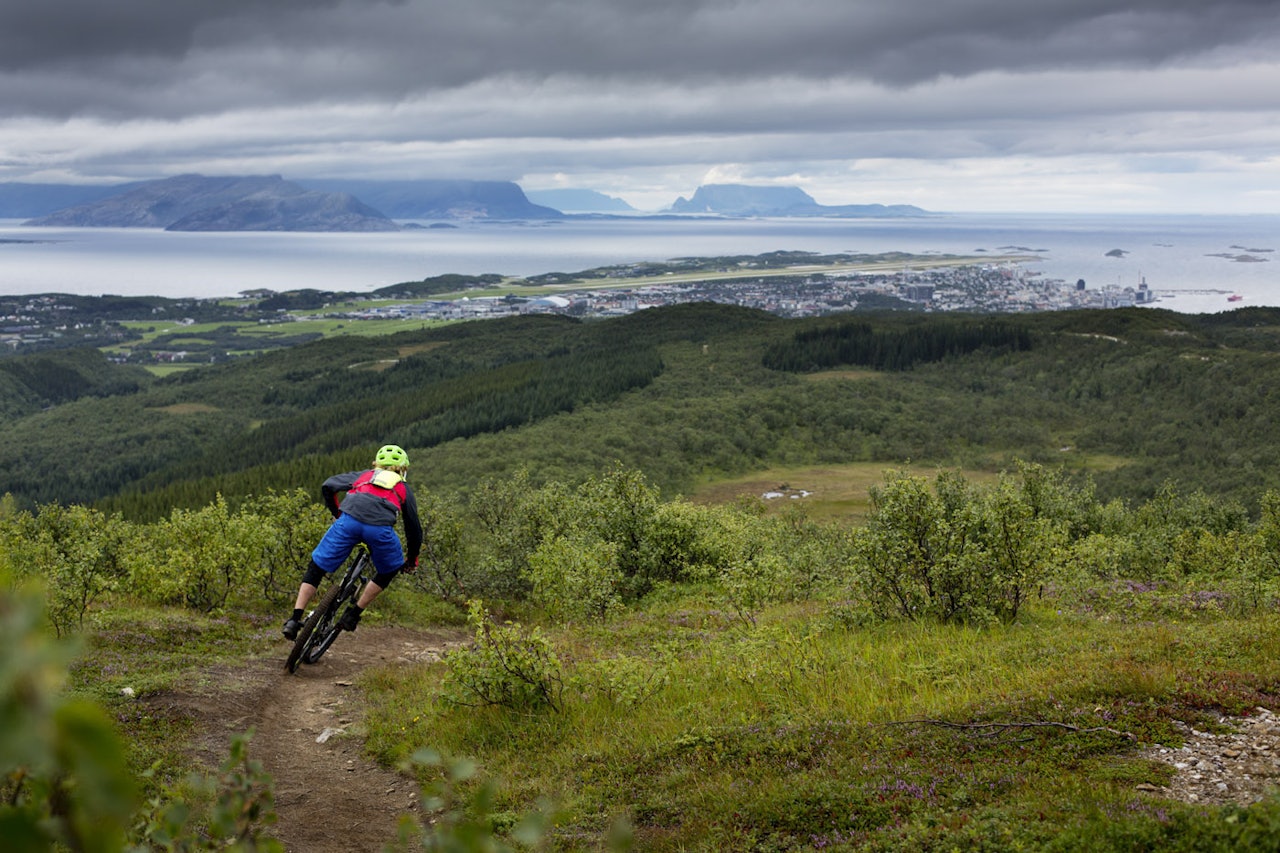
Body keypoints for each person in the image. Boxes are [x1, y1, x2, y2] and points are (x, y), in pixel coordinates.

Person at [282, 444, 421, 640]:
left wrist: (338, 514)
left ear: (377, 464)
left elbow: (328, 485)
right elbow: (413, 528)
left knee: (317, 566)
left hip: (348, 522)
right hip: (379, 531)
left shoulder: (364, 476)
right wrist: (412, 560)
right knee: (389, 569)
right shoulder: (403, 488)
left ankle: (294, 619)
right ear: (403, 469)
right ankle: (353, 614)